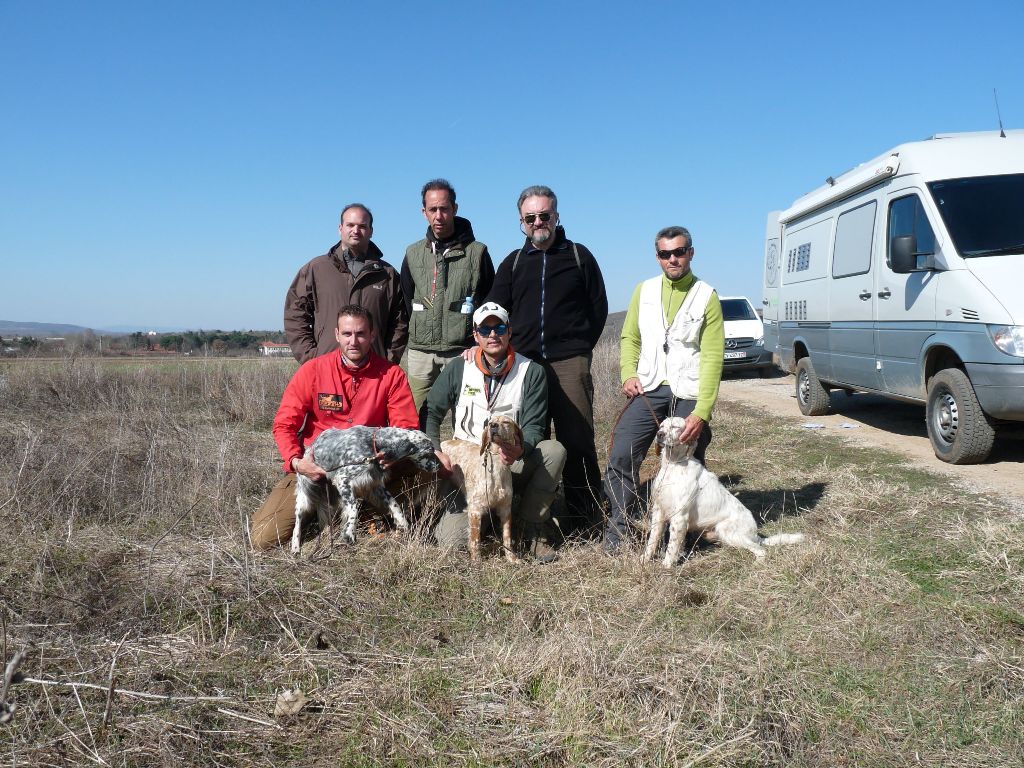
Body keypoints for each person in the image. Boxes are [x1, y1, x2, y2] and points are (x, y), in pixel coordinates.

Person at [487, 185, 608, 537]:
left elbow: (598, 307)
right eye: (531, 217)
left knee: (577, 441)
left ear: (556, 216)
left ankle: (584, 518)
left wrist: (580, 348)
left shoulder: (578, 256)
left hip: (570, 363)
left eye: (544, 215)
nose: (538, 222)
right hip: (526, 367)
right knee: (529, 441)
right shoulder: (513, 262)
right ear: (521, 221)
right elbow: (495, 311)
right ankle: (532, 519)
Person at [251, 305, 424, 550]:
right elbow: (284, 424)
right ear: (336, 335)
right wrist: (297, 462)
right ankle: (322, 513)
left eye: (361, 334)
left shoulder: (391, 376)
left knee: (426, 471)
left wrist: (390, 456)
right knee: (263, 538)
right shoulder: (313, 371)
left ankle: (359, 514)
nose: (353, 341)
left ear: (372, 335)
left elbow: (406, 428)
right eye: (347, 334)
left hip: (366, 472)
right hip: (315, 471)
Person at [603, 226, 725, 550]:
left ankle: (685, 537)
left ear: (691, 253)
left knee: (688, 464)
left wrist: (702, 411)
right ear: (657, 257)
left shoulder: (707, 296)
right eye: (665, 253)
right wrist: (628, 374)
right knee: (622, 454)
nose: (673, 259)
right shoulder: (643, 290)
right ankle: (619, 534)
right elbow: (630, 337)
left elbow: (713, 356)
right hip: (649, 388)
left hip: (689, 392)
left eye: (679, 252)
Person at [425, 302, 566, 558]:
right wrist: (435, 449)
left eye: (499, 328)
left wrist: (520, 449)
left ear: (509, 331)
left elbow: (534, 426)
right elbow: (431, 412)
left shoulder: (531, 371)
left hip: (511, 463)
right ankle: (489, 519)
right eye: (485, 329)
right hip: (469, 470)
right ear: (475, 335)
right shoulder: (459, 367)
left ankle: (531, 526)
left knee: (553, 451)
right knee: (452, 541)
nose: (493, 335)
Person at [400, 179, 494, 413]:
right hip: (421, 353)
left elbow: (488, 301)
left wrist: (478, 342)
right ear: (424, 212)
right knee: (416, 417)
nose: (438, 216)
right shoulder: (412, 253)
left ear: (455, 209)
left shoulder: (477, 252)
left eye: (444, 208)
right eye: (432, 209)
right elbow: (406, 299)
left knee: (466, 416)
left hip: (463, 351)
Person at [284, 203, 408, 365]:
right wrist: (312, 359)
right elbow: (295, 315)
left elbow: (400, 323)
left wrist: (388, 360)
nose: (356, 230)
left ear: (371, 231)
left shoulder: (387, 275)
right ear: (340, 228)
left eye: (362, 226)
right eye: (350, 225)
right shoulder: (316, 269)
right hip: (327, 368)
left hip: (374, 370)